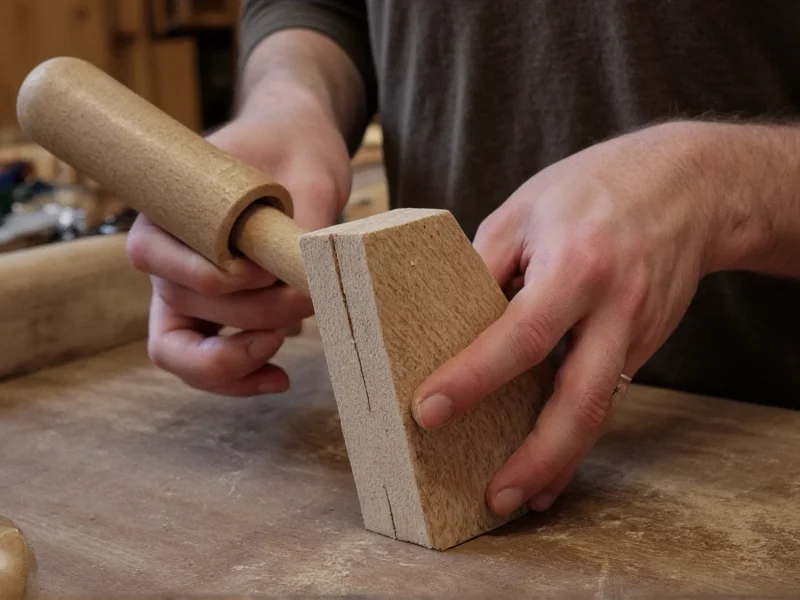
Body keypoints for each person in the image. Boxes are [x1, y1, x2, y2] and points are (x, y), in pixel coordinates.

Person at [125, 1, 800, 518]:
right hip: (436, 439)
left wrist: (722, 186)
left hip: (755, 456)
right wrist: (293, 98)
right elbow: (321, 9)